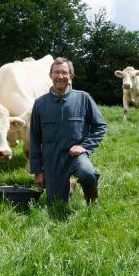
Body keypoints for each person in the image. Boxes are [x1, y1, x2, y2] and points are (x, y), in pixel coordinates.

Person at [29, 57, 108, 205]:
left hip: (76, 156)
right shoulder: (40, 104)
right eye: (56, 72)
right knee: (56, 204)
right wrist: (37, 171)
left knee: (88, 174)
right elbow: (34, 138)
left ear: (71, 76)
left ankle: (91, 198)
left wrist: (84, 147)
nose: (60, 76)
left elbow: (100, 126)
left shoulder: (83, 98)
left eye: (64, 73)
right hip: (52, 159)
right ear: (50, 75)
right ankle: (70, 185)